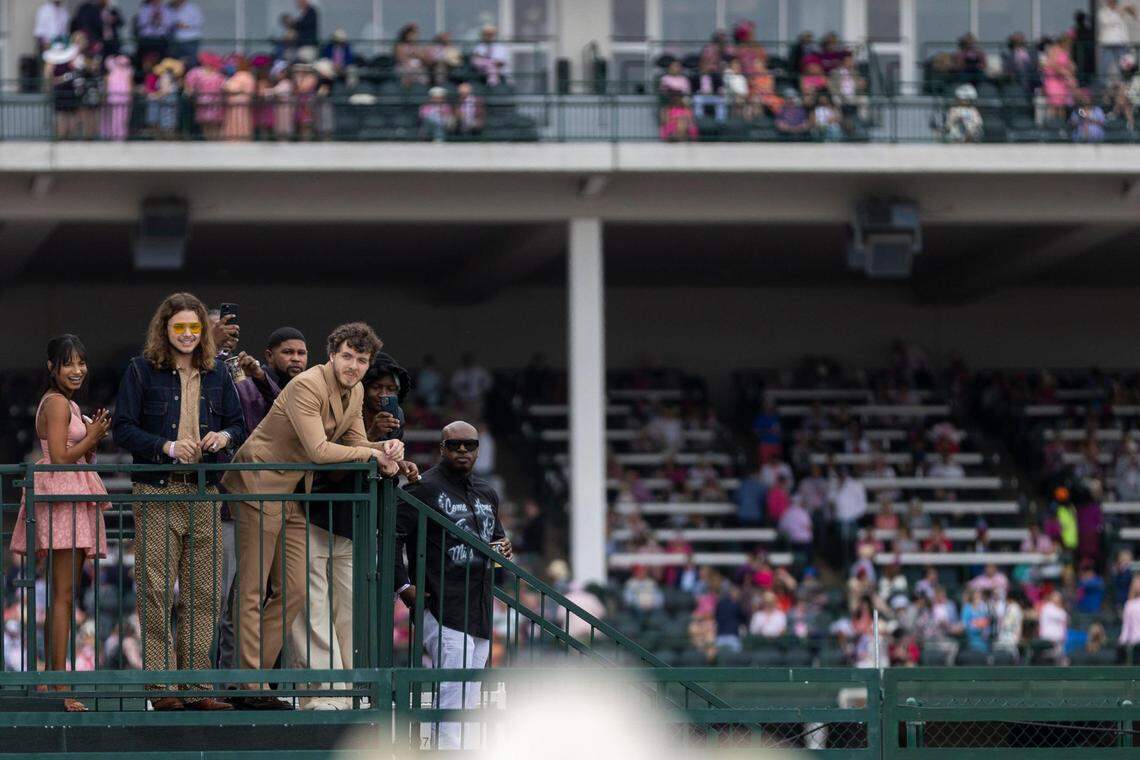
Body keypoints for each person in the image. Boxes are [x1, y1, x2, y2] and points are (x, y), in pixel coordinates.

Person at [222, 322, 402, 710]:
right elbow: (320, 451)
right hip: (258, 482)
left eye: (362, 360)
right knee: (253, 590)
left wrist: (385, 448)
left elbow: (355, 443)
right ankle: (247, 686)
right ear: (332, 355)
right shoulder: (306, 384)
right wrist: (373, 455)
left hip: (292, 492)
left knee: (294, 591)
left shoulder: (353, 392)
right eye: (347, 357)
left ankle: (254, 681)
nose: (354, 366)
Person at [111, 293, 245, 712]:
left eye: (194, 327)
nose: (187, 335)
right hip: (157, 489)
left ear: (203, 332)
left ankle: (199, 686)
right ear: (164, 329)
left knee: (205, 593)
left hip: (204, 490)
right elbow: (123, 429)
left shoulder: (218, 372)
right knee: (155, 590)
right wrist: (166, 446)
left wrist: (222, 437)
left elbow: (237, 424)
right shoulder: (141, 370)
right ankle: (162, 687)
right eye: (179, 327)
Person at [290, 351, 419, 710]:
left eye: (390, 388)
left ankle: (350, 694)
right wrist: (370, 443)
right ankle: (320, 697)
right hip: (314, 515)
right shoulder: (337, 410)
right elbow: (330, 472)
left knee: (350, 613)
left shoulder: (395, 418)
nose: (382, 393)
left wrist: (395, 458)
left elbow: (383, 475)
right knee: (313, 610)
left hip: (357, 526)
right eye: (375, 385)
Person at [393, 421, 510, 749]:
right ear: (442, 449)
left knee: (470, 693)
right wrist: (403, 587)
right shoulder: (423, 488)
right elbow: (390, 536)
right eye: (454, 445)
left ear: (477, 449)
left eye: (469, 445)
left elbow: (496, 537)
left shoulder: (487, 491)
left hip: (479, 604)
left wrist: (504, 545)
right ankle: (446, 752)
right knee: (453, 689)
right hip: (441, 602)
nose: (462, 451)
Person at [9, 335, 111, 712]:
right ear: (52, 367)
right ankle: (56, 684)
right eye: (69, 363)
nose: (78, 370)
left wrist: (92, 440)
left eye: (82, 363)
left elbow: (72, 453)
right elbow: (59, 457)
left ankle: (56, 680)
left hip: (70, 495)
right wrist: (94, 437)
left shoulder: (66, 402)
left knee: (65, 596)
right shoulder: (54, 402)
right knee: (62, 596)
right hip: (60, 496)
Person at [1099, 1, 1137, 80]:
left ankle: (1126, 84)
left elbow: (1135, 16)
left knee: (1125, 66)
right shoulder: (1103, 12)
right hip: (1108, 43)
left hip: (1121, 42)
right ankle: (1100, 87)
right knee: (1104, 67)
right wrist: (1120, 11)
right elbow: (1108, 22)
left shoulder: (1120, 10)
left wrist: (1131, 11)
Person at [222, 56, 256, 141]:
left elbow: (230, 87)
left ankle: (235, 138)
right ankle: (243, 137)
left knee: (237, 121)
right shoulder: (249, 76)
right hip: (242, 102)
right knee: (243, 121)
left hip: (238, 102)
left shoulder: (242, 75)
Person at [168, 0, 204, 66]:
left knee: (191, 61)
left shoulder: (192, 8)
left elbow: (199, 22)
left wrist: (185, 26)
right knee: (175, 62)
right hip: (175, 39)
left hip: (191, 39)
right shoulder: (170, 8)